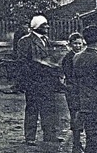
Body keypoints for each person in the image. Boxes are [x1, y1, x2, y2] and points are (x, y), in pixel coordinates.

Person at [16, 14, 63, 146]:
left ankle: (49, 135)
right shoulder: (25, 41)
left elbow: (50, 58)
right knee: (32, 108)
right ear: (36, 27)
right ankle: (30, 137)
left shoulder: (46, 40)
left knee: (49, 108)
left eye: (47, 24)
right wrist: (26, 80)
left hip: (47, 81)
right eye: (43, 25)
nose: (47, 27)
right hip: (34, 81)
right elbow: (22, 63)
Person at [73, 25, 97, 153]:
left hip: (83, 103)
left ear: (85, 40)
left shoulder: (77, 57)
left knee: (91, 138)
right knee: (96, 140)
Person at [61, 32, 85, 153]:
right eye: (75, 44)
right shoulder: (68, 58)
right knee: (75, 114)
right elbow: (69, 75)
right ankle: (76, 144)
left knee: (80, 115)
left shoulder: (83, 56)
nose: (78, 46)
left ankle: (78, 141)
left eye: (80, 43)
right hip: (72, 90)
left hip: (81, 90)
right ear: (70, 44)